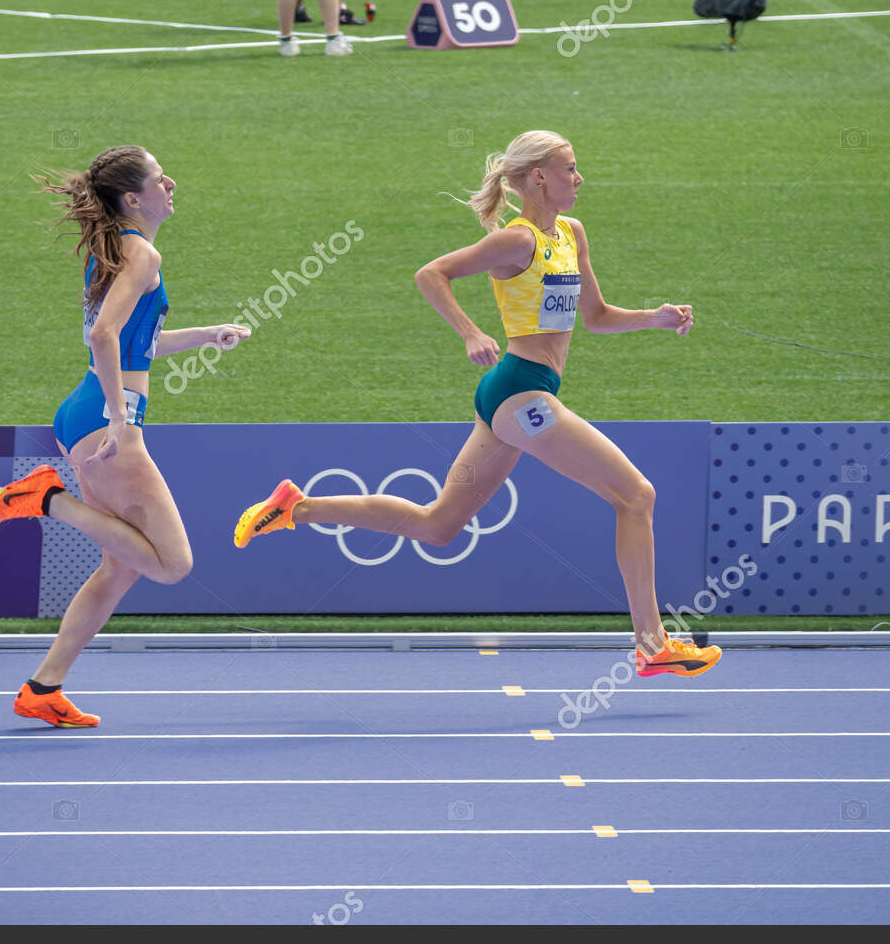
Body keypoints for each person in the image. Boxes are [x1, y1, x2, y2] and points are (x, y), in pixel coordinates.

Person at [234, 130, 721, 678]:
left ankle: (295, 507)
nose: (579, 178)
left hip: (515, 396)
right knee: (636, 495)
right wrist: (470, 332)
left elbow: (597, 316)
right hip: (521, 393)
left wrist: (656, 318)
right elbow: (431, 274)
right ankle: (652, 644)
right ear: (538, 177)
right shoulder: (515, 241)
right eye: (569, 168)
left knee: (437, 526)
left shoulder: (572, 234)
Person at [0, 145, 251, 726]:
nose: (171, 184)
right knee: (172, 565)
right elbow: (103, 335)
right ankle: (46, 499)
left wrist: (206, 335)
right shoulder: (142, 253)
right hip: (106, 420)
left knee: (121, 566)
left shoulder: (122, 248)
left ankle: (43, 688)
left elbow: (133, 342)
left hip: (86, 413)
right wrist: (122, 420)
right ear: (132, 198)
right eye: (160, 179)